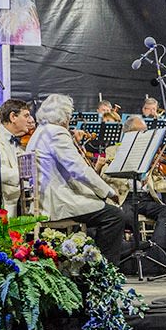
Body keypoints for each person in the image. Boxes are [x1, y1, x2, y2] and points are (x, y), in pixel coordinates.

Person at [26, 94, 125, 265]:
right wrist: (108, 191)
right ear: (64, 116)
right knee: (114, 215)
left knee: (101, 208)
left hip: (42, 198)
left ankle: (87, 262)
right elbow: (79, 170)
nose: (70, 121)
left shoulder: (40, 132)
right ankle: (105, 270)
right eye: (69, 116)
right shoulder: (57, 133)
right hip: (56, 201)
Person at [97, 115, 166, 251]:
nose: (144, 135)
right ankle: (134, 252)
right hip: (126, 198)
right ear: (128, 133)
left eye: (145, 131)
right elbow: (104, 175)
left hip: (145, 198)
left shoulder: (148, 154)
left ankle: (157, 250)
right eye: (140, 131)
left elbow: (158, 182)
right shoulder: (113, 151)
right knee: (127, 217)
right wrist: (128, 177)